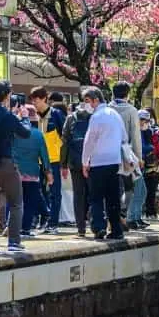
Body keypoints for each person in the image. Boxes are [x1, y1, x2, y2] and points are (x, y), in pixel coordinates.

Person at [0, 80, 31, 254]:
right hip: (5, 163)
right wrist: (24, 117)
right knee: (16, 202)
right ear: (7, 95)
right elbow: (25, 133)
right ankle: (14, 242)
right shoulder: (7, 115)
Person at [82, 87, 127, 240]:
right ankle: (116, 230)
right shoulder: (115, 114)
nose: (87, 105)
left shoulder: (96, 117)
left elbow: (89, 142)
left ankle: (99, 227)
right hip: (114, 161)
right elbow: (124, 137)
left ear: (96, 100)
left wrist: (84, 161)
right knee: (113, 197)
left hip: (97, 162)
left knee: (96, 197)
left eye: (88, 101)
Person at [12, 105, 53, 237]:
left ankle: (13, 228)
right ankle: (25, 229)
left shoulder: (14, 132)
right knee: (30, 203)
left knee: (15, 202)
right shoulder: (38, 134)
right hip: (32, 174)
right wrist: (48, 173)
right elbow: (44, 156)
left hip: (15, 172)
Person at [30, 87, 66, 233]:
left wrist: (65, 161)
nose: (34, 103)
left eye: (36, 100)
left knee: (55, 192)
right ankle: (43, 217)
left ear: (44, 98)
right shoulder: (33, 116)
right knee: (36, 190)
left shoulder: (56, 114)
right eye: (32, 100)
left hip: (54, 160)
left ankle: (53, 223)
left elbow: (65, 136)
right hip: (36, 159)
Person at [110, 82, 142, 231]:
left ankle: (112, 218)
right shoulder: (131, 110)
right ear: (127, 94)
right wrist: (139, 157)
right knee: (129, 186)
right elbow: (135, 136)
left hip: (107, 154)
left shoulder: (107, 109)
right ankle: (122, 215)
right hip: (126, 154)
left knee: (111, 188)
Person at [61, 99, 94, 236]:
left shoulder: (70, 118)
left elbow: (65, 142)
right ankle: (95, 223)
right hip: (92, 162)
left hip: (75, 162)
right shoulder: (94, 116)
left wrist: (63, 164)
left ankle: (81, 228)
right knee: (94, 194)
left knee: (78, 194)